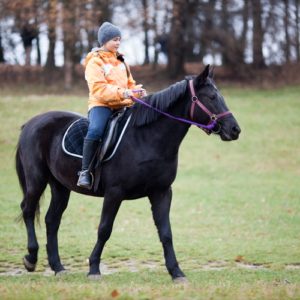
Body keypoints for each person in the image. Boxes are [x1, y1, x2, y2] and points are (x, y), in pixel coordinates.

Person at [77, 22, 146, 189]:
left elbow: (130, 84)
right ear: (104, 40)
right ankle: (85, 172)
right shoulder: (94, 62)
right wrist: (124, 93)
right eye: (115, 39)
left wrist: (137, 91)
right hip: (101, 105)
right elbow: (99, 89)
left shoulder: (122, 60)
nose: (118, 43)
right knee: (96, 130)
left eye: (119, 40)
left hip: (123, 104)